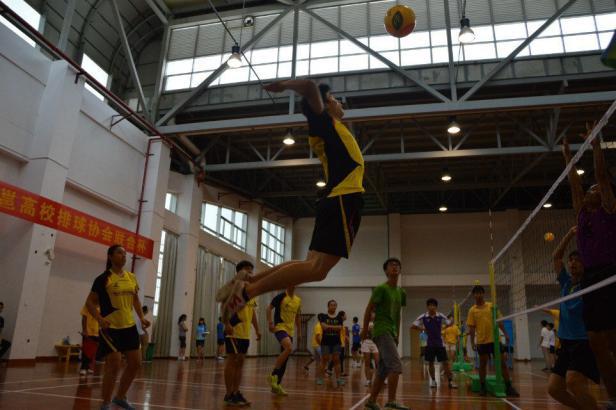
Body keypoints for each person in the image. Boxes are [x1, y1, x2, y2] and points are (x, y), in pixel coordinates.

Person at [218, 80, 364, 320]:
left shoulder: (332, 128)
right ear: (325, 105)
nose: (339, 102)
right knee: (317, 269)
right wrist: (286, 85)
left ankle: (250, 280)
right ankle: (247, 293)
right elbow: (309, 86)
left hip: (336, 198)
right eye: (334, 98)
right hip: (344, 198)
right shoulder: (325, 124)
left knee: (311, 264)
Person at [564, 129, 616, 408]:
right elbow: (575, 186)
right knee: (597, 341)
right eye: (590, 189)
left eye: (594, 189)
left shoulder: (609, 209)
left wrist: (595, 146)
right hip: (590, 279)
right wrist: (568, 158)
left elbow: (602, 177)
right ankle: (613, 398)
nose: (590, 190)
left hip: (610, 273)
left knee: (612, 339)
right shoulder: (582, 213)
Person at [85, 244, 150, 410]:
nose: (124, 256)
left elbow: (135, 300)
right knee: (113, 365)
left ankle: (120, 397)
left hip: (129, 326)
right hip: (110, 328)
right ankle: (106, 403)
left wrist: (141, 318)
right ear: (110, 256)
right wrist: (99, 319)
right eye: (120, 253)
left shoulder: (131, 277)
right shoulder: (103, 279)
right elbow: (90, 303)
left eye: (125, 253)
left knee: (136, 363)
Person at [547, 225, 601, 409]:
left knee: (573, 381)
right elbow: (556, 257)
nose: (573, 263)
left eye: (578, 260)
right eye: (571, 260)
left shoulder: (590, 283)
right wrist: (570, 234)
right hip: (565, 343)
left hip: (583, 342)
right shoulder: (566, 282)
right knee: (554, 389)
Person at [362, 258, 408, 410]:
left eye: (397, 265)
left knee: (383, 369)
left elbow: (398, 314)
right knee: (395, 365)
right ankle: (391, 401)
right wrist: (364, 330)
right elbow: (369, 309)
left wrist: (397, 334)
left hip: (391, 332)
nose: (395, 267)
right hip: (381, 330)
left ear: (400, 270)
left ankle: (371, 402)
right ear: (386, 271)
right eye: (391, 265)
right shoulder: (381, 289)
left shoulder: (401, 292)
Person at [467, 285, 519, 397]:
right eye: (476, 293)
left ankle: (509, 387)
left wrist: (505, 334)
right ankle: (483, 387)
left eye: (480, 293)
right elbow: (471, 328)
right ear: (473, 295)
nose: (478, 295)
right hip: (482, 341)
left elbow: (499, 321)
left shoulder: (491, 306)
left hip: (495, 340)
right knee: (482, 364)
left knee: (502, 363)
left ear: (483, 294)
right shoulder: (472, 310)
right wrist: (472, 342)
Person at [223, 261, 261, 407]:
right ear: (239, 272)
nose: (250, 273)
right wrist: (227, 324)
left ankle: (236, 392)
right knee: (232, 361)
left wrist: (257, 329)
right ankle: (228, 394)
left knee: (240, 363)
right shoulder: (233, 287)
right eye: (247, 270)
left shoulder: (252, 291)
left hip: (245, 333)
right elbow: (224, 307)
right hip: (234, 330)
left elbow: (252, 312)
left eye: (251, 270)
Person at [412, 299, 457, 389]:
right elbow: (413, 325)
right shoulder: (423, 316)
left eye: (433, 305)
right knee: (431, 363)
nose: (431, 307)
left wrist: (451, 319)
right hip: (430, 344)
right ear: (427, 306)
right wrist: (423, 329)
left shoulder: (440, 316)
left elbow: (449, 323)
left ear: (436, 307)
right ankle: (433, 381)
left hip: (440, 344)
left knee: (446, 363)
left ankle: (450, 381)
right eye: (430, 305)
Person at [267, 286, 302, 396]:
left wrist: (299, 332)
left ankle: (276, 385)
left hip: (290, 331)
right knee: (289, 347)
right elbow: (269, 308)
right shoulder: (281, 297)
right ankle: (273, 374)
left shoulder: (298, 300)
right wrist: (270, 323)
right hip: (280, 327)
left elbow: (297, 317)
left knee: (285, 359)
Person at [317, 300, 344, 386]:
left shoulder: (339, 317)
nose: (333, 306)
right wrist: (335, 327)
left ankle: (338, 379)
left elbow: (340, 328)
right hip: (325, 342)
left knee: (337, 360)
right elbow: (323, 327)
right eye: (331, 305)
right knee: (324, 360)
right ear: (328, 306)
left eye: (335, 305)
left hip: (336, 342)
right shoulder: (323, 316)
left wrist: (328, 326)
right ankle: (320, 378)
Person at [80, 303, 100, 376]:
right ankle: (83, 368)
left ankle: (89, 367)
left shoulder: (102, 305)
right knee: (86, 351)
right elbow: (84, 317)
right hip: (88, 332)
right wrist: (84, 330)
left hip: (97, 332)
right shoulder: (88, 305)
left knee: (93, 352)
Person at [361, 313, 379, 387]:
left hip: (375, 342)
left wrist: (374, 330)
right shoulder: (366, 323)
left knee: (378, 362)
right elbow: (361, 335)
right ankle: (368, 380)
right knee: (367, 362)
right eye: (371, 314)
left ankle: (380, 379)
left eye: (374, 314)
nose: (372, 315)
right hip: (366, 342)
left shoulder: (378, 323)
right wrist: (366, 330)